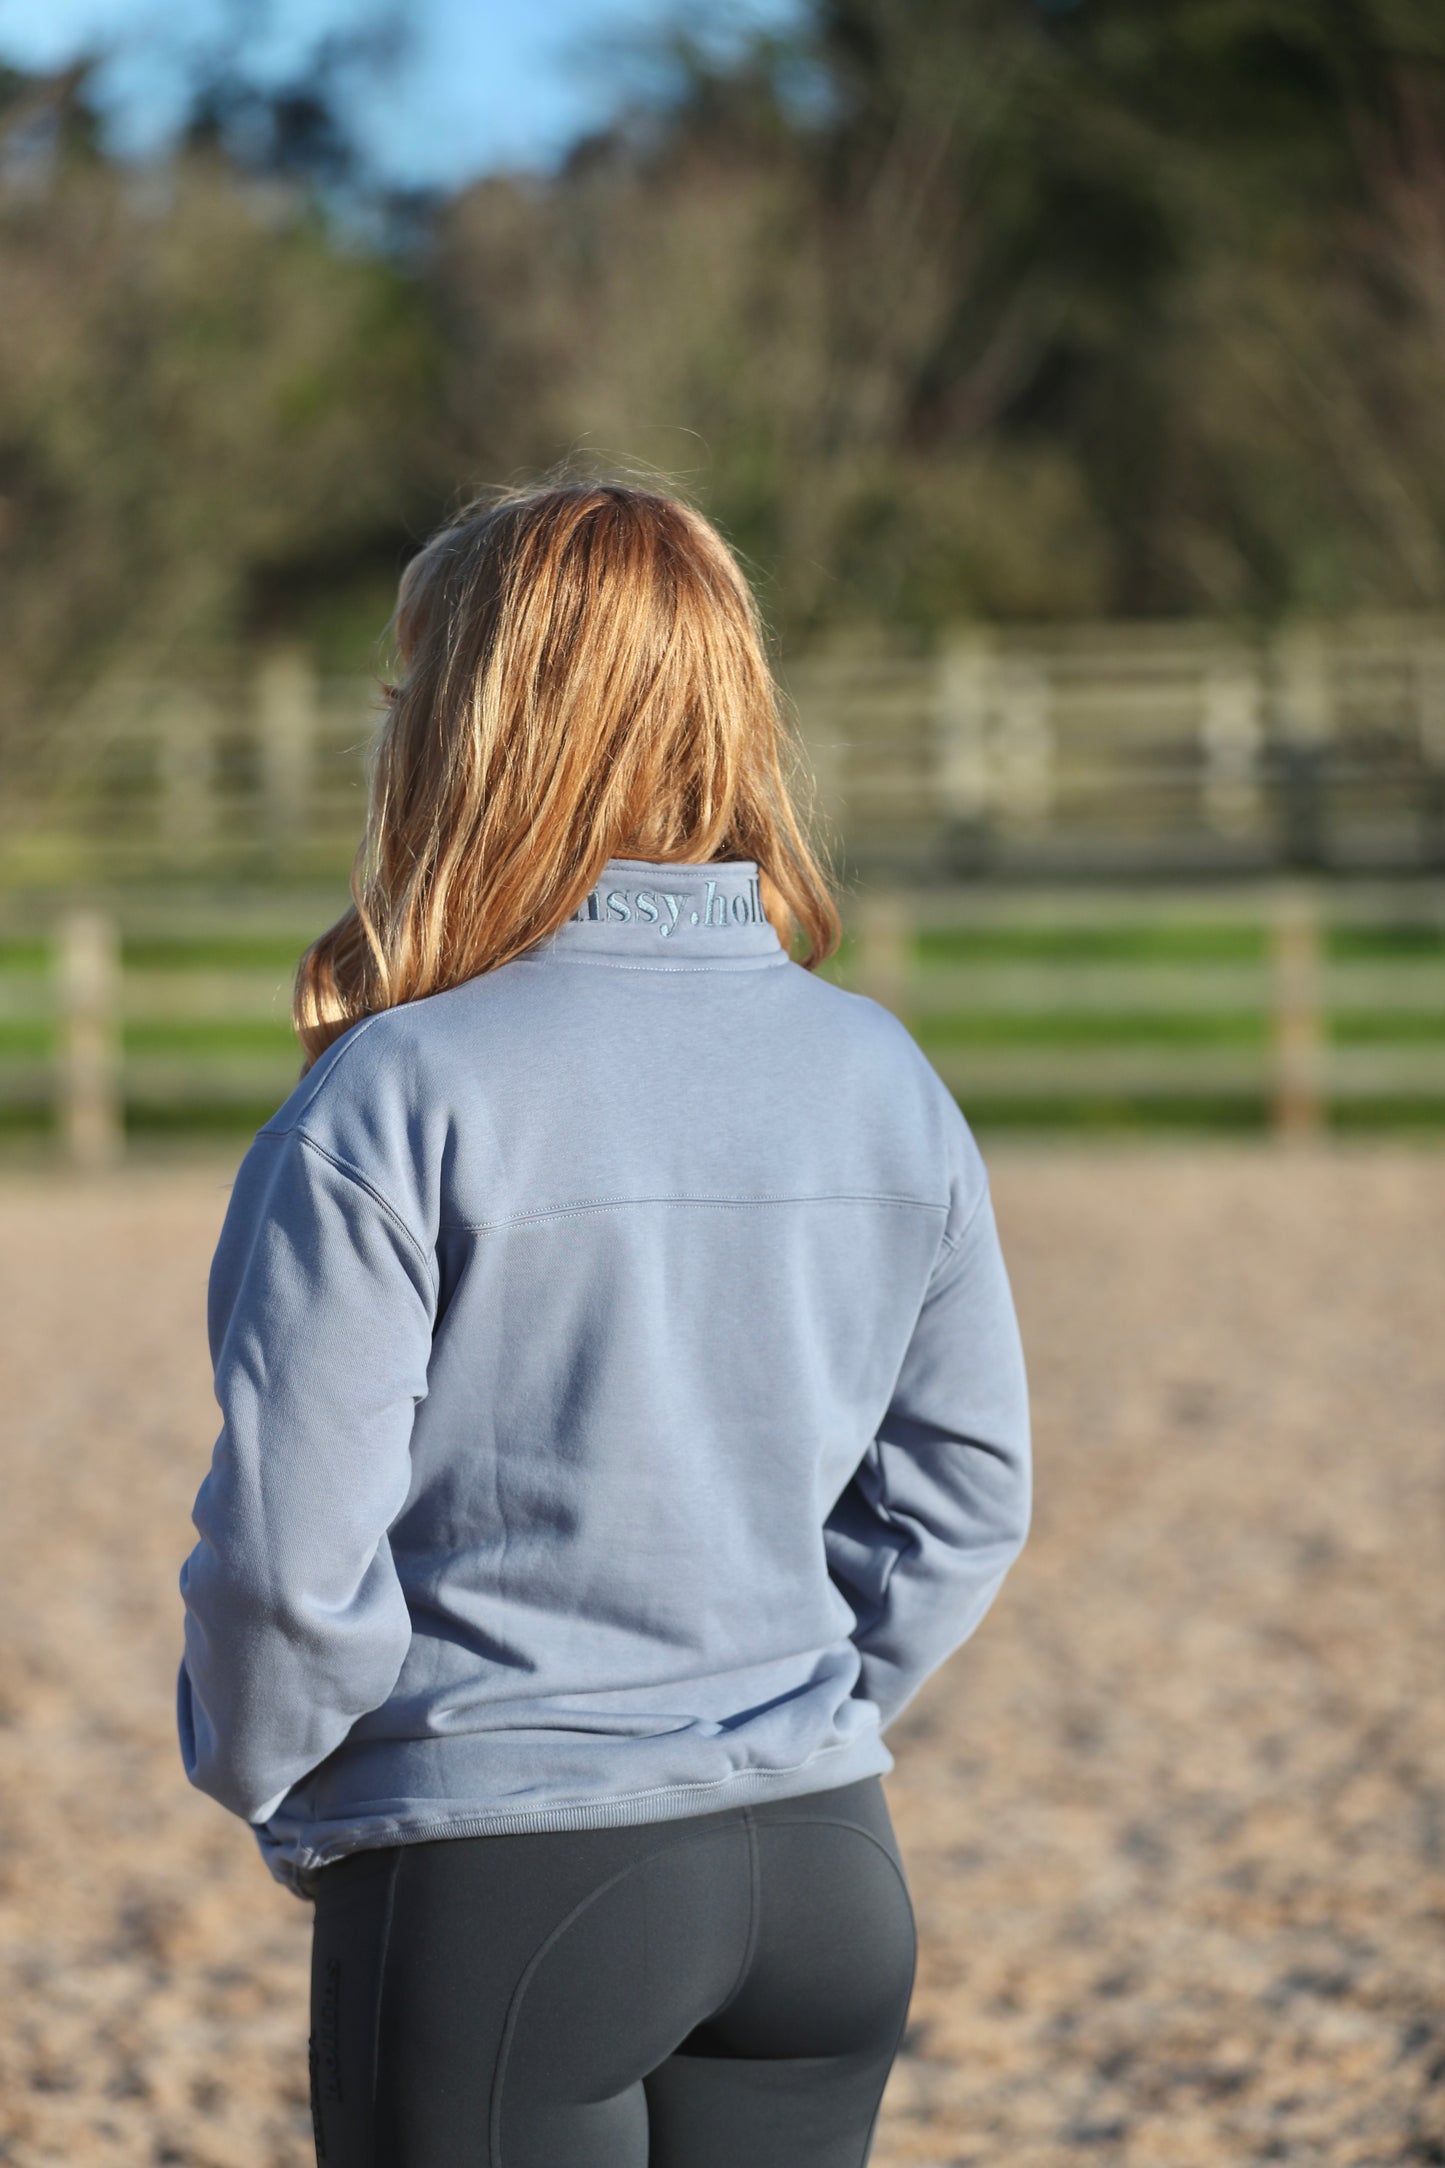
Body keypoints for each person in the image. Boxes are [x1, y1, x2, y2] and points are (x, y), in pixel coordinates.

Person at [175, 478, 1032, 2168]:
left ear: (472, 731)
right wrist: (789, 1706)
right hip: (824, 1869)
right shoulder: (882, 1074)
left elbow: (286, 1568)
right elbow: (965, 1500)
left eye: (408, 690)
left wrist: (275, 1780)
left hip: (499, 1876)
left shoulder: (397, 1095)